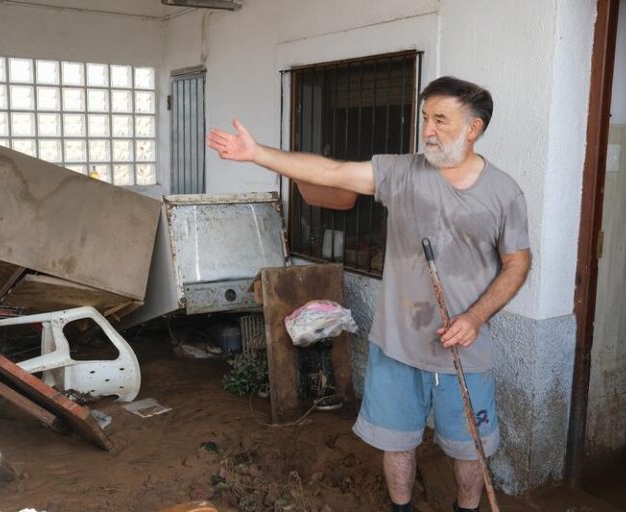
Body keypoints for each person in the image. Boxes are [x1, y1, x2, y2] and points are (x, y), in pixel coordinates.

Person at [207, 76, 531, 512]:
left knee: (468, 446)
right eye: (424, 119)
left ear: (473, 129)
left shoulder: (504, 192)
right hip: (398, 343)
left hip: (467, 349)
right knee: (396, 439)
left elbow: (517, 263)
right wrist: (258, 154)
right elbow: (331, 172)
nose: (428, 130)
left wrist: (475, 317)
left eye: (440, 120)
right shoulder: (400, 172)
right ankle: (402, 508)